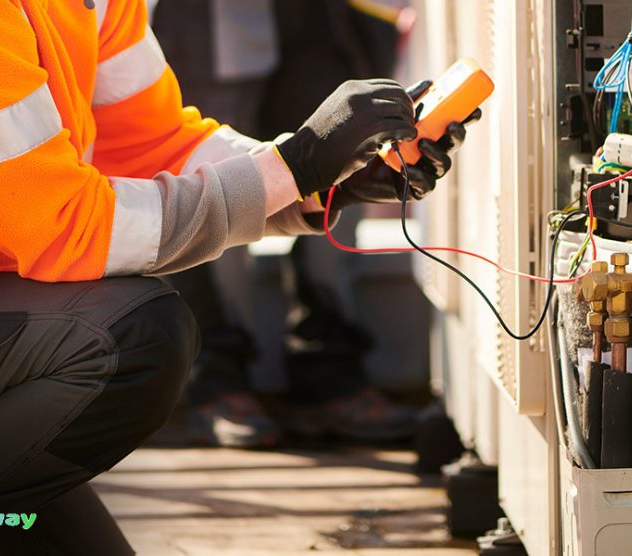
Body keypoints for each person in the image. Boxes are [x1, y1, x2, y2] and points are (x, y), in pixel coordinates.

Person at [0, 0, 473, 553]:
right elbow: (65, 229)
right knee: (130, 337)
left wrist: (324, 180)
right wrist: (297, 163)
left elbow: (158, 145)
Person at [152, 0, 437, 448]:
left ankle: (326, 372)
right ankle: (219, 380)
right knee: (198, 163)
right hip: (204, 15)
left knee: (346, 151)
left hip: (328, 14)